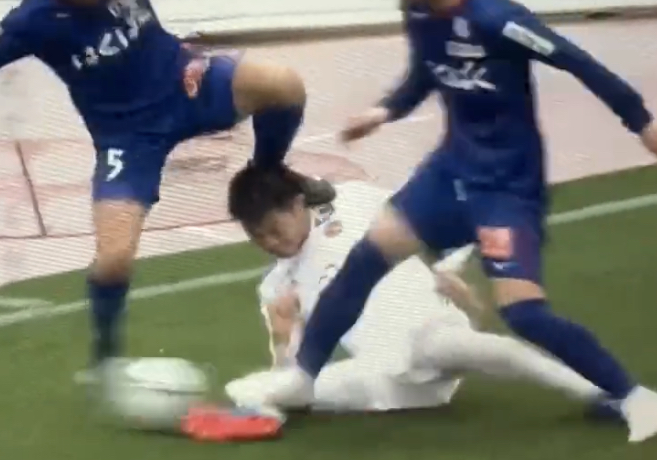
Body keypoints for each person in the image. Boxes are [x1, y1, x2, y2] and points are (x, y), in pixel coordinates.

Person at [230, 0, 657, 442]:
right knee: (366, 258)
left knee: (525, 314)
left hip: (506, 186)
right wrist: (386, 110)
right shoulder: (418, 8)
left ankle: (634, 397)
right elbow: (426, 71)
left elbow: (577, 61)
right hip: (449, 170)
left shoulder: (497, 18)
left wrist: (643, 122)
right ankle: (303, 378)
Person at [0, 0, 335, 377]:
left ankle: (268, 173)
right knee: (114, 258)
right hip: (126, 137)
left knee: (282, 84)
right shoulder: (32, 21)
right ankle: (106, 355)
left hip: (186, 81)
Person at [223, 168, 609, 416]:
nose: (270, 243)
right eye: (258, 238)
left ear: (297, 205)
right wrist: (282, 334)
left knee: (494, 350)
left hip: (423, 332)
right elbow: (293, 372)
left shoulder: (353, 200)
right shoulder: (276, 286)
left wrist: (444, 268)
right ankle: (264, 416)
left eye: (274, 230)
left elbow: (430, 218)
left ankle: (597, 393)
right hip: (383, 376)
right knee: (247, 388)